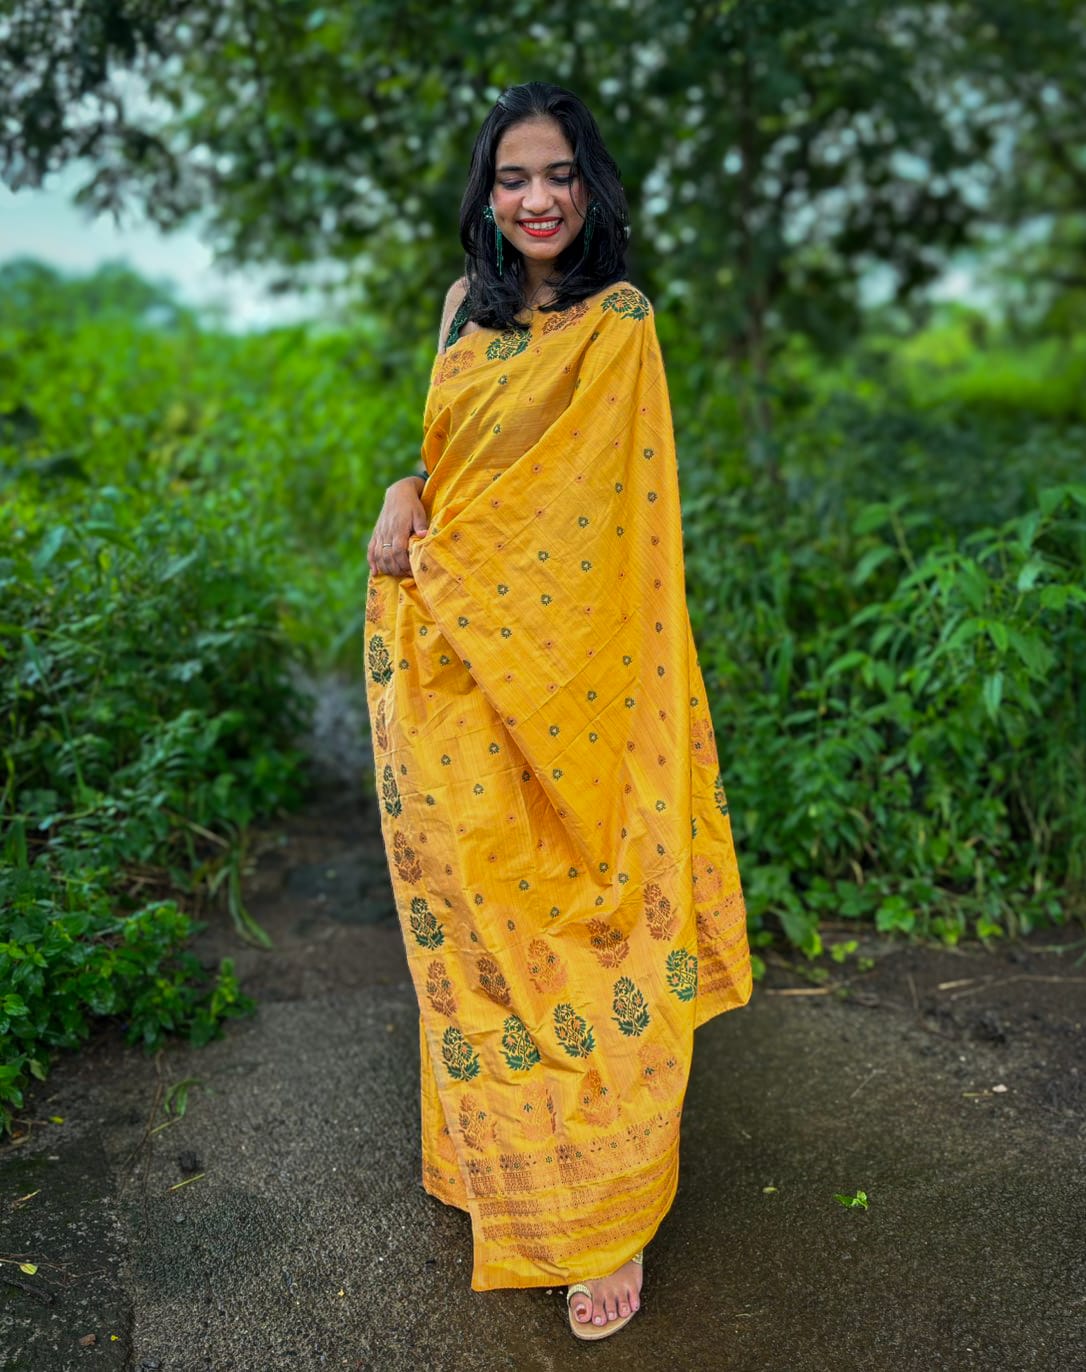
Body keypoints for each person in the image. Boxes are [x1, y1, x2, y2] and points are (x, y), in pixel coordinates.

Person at [364, 80, 752, 1341]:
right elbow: (453, 458)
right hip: (455, 666)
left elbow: (619, 538)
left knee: (588, 920)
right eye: (513, 176)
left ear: (593, 189)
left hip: (579, 678)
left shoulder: (619, 327)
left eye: (560, 176)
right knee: (485, 916)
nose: (536, 199)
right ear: (486, 191)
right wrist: (401, 490)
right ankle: (506, 1169)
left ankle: (606, 1214)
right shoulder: (457, 311)